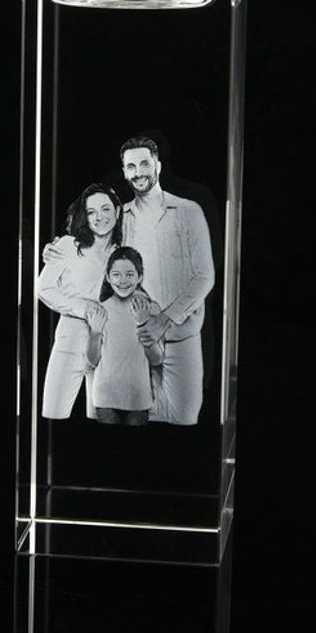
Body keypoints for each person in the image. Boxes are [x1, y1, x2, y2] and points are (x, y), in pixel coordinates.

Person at [119, 136, 214, 425]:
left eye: (144, 164)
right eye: (131, 166)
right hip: (136, 342)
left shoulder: (188, 211)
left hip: (181, 340)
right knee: (137, 427)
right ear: (124, 172)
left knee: (183, 421)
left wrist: (164, 319)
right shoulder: (121, 218)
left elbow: (205, 276)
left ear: (158, 166)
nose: (138, 172)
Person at [39, 184, 123, 419]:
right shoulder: (68, 245)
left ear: (117, 212)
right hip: (71, 337)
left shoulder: (123, 251)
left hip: (109, 344)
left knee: (100, 418)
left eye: (105, 209)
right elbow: (44, 289)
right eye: (91, 211)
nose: (99, 217)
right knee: (54, 413)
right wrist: (84, 307)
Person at [87, 246, 164, 425]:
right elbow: (91, 361)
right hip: (105, 399)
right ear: (108, 277)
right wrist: (96, 332)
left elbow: (157, 359)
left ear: (140, 277)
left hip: (138, 400)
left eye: (130, 274)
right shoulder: (99, 310)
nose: (123, 281)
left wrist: (143, 323)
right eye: (116, 274)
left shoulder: (150, 309)